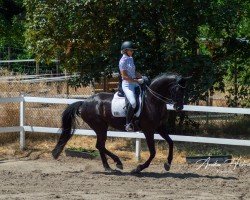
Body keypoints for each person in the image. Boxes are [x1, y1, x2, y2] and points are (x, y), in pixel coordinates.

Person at [119, 41, 144, 131]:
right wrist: (137, 80)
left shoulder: (130, 58)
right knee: (133, 102)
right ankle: (128, 123)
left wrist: (142, 76)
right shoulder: (122, 61)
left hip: (134, 83)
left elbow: (134, 72)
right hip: (127, 85)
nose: (132, 52)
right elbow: (125, 77)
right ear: (125, 50)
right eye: (131, 50)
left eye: (133, 51)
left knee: (144, 97)